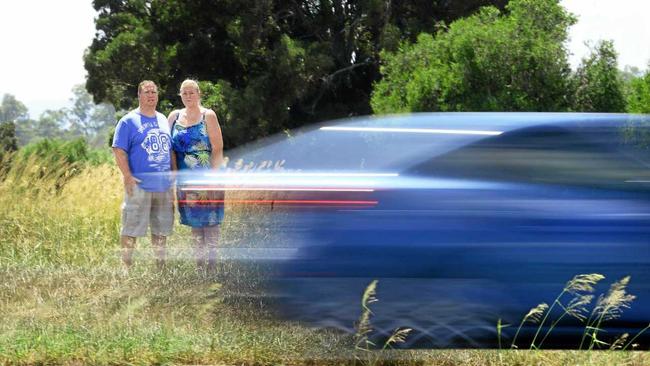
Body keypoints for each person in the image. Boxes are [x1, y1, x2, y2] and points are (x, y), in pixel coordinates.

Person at [112, 80, 173, 269]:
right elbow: (119, 150)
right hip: (139, 184)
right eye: (147, 92)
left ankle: (161, 268)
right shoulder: (128, 121)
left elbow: (170, 150)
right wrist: (128, 176)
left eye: (154, 92)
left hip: (163, 186)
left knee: (161, 230)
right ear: (139, 95)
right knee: (131, 228)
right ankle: (126, 268)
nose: (151, 95)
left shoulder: (163, 119)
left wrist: (172, 175)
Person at [168, 79, 225, 271]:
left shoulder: (208, 115)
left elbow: (217, 149)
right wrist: (174, 173)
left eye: (192, 92)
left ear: (199, 93)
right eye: (184, 93)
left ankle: (212, 266)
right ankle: (199, 266)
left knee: (210, 222)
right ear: (180, 95)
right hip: (185, 180)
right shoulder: (174, 117)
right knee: (195, 223)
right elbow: (169, 149)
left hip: (207, 176)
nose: (188, 96)